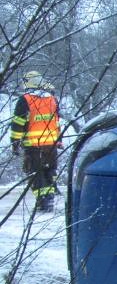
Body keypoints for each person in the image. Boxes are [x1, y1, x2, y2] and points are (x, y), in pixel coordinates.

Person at [10, 70, 62, 211]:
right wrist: (59, 140)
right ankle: (49, 198)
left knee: (35, 172)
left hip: (33, 145)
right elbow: (57, 122)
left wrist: (15, 143)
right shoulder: (52, 99)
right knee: (49, 171)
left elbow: (18, 124)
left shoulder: (25, 100)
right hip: (51, 144)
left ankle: (43, 201)